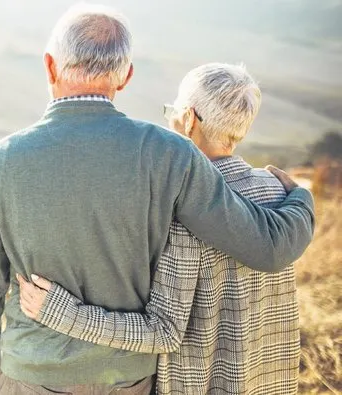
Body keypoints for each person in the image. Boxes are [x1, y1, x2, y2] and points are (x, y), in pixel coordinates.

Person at [0, 5, 315, 395]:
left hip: (31, 372)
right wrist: (300, 199)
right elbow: (263, 245)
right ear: (126, 76)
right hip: (127, 378)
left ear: (49, 66)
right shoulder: (169, 153)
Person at [17, 63, 303, 394]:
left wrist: (64, 314)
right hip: (269, 383)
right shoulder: (278, 190)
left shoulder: (183, 208)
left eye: (172, 111)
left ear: (189, 120)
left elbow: (164, 331)